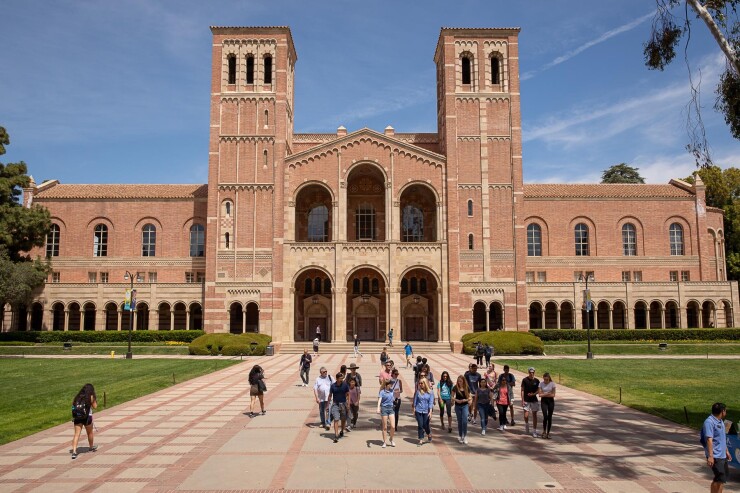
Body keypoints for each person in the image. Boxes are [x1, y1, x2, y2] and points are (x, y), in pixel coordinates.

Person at [702, 402, 732, 493]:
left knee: (722, 478)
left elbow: (722, 438)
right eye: (725, 410)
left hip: (722, 455)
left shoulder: (721, 421)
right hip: (715, 455)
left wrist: (726, 451)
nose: (725, 412)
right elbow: (709, 440)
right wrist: (710, 456)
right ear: (722, 411)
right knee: (719, 478)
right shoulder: (709, 422)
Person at [70, 383, 98, 459]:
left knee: (76, 434)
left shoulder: (77, 397)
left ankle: (74, 452)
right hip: (87, 417)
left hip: (77, 417)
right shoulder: (91, 397)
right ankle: (91, 447)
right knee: (90, 433)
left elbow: (73, 405)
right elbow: (95, 406)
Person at [328, 372, 350, 443]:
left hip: (343, 404)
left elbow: (348, 394)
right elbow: (330, 395)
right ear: (337, 379)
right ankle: (336, 435)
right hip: (335, 404)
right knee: (336, 419)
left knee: (343, 419)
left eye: (342, 378)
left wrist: (348, 404)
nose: (342, 379)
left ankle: (342, 430)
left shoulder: (345, 385)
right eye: (340, 378)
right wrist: (328, 404)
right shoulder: (333, 386)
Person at [413, 378, 435, 446]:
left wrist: (430, 412)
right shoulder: (418, 391)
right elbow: (415, 401)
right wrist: (414, 410)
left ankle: (429, 434)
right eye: (419, 383)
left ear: (425, 383)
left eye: (421, 383)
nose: (420, 384)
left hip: (426, 411)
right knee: (420, 425)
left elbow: (431, 403)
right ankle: (420, 440)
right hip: (418, 410)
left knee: (426, 425)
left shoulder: (430, 392)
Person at [377, 378, 397, 448]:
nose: (391, 385)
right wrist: (378, 408)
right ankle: (384, 442)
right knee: (385, 427)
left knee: (393, 426)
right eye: (390, 384)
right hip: (384, 408)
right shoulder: (382, 392)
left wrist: (395, 401)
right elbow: (380, 400)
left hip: (391, 408)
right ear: (387, 385)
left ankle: (391, 439)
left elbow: (393, 398)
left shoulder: (392, 391)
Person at [521, 367, 540, 437]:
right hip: (526, 399)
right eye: (530, 372)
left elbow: (539, 390)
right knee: (526, 415)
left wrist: (533, 394)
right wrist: (522, 400)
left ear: (534, 372)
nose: (531, 374)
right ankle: (527, 424)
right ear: (528, 372)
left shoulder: (537, 381)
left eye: (533, 372)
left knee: (534, 415)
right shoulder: (525, 380)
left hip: (534, 400)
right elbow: (522, 390)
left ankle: (534, 431)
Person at [452, 375, 471, 444]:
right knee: (460, 421)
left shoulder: (467, 388)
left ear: (463, 381)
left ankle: (465, 436)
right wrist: (456, 400)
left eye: (460, 381)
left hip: (465, 405)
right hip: (457, 406)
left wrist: (464, 400)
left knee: (464, 421)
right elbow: (451, 396)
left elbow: (469, 397)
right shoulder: (455, 387)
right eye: (458, 381)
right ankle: (460, 435)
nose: (459, 382)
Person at [538, 372, 556, 439]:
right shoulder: (541, 384)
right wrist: (547, 393)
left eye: (547, 380)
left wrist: (544, 393)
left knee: (549, 417)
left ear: (549, 378)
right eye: (544, 379)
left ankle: (548, 432)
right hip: (544, 401)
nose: (545, 381)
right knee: (545, 416)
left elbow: (553, 394)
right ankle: (544, 431)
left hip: (551, 401)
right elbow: (540, 395)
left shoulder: (552, 384)